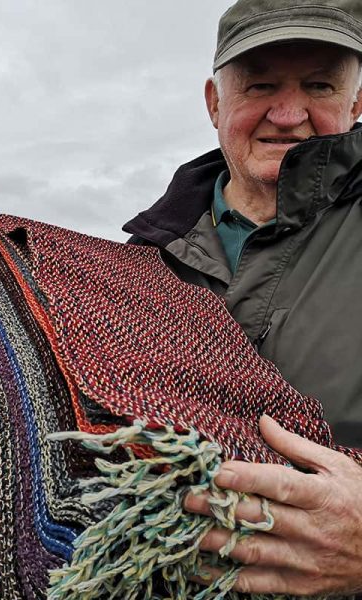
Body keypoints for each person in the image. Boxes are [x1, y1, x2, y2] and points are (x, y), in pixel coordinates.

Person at [123, 0, 362, 596]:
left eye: (319, 85)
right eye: (260, 84)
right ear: (214, 103)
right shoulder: (137, 260)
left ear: (356, 103)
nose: (287, 114)